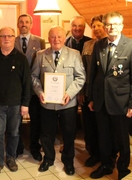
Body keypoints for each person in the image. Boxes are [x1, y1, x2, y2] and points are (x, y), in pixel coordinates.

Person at [88, 11, 132, 180]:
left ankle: (123, 169)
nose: (111, 27)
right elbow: (94, 74)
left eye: (115, 24)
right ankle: (106, 165)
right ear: (104, 26)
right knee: (103, 136)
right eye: (108, 24)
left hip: (121, 102)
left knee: (121, 139)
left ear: (121, 26)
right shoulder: (99, 45)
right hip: (101, 101)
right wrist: (91, 98)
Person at [31, 26, 86, 176]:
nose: (56, 39)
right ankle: (48, 159)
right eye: (53, 37)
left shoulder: (74, 54)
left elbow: (81, 77)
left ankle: (68, 162)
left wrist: (69, 93)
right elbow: (33, 77)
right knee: (47, 134)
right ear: (48, 39)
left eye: (59, 36)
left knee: (68, 134)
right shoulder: (40, 55)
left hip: (68, 103)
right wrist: (40, 92)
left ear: (64, 38)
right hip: (47, 103)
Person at [0, 27, 31, 176]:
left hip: (16, 104)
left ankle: (11, 158)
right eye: (3, 36)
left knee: (14, 132)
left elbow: (26, 83)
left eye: (9, 36)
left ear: (14, 38)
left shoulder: (21, 58)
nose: (6, 38)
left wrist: (25, 104)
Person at [14, 13, 46, 161]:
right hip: (16, 88)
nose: (24, 24)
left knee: (37, 120)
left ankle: (34, 147)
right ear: (18, 24)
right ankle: (18, 147)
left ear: (31, 24)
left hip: (34, 89)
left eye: (26, 22)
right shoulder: (11, 41)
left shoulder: (39, 41)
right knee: (16, 120)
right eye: (21, 22)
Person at [78, 15, 108, 167]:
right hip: (88, 90)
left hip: (103, 93)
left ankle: (106, 156)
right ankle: (93, 153)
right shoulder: (88, 45)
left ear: (106, 26)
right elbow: (83, 69)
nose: (96, 29)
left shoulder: (110, 44)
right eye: (94, 26)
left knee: (102, 126)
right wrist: (82, 91)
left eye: (99, 25)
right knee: (88, 125)